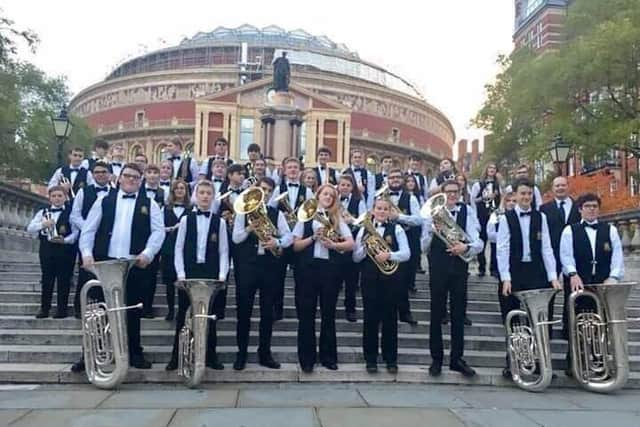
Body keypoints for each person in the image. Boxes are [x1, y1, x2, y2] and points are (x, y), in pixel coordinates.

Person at [78, 162, 165, 370]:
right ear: (119, 178)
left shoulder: (150, 203)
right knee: (97, 313)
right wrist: (87, 255)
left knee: (133, 311)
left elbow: (158, 232)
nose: (131, 180)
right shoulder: (103, 200)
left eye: (136, 177)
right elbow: (88, 230)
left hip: (132, 266)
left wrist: (147, 253)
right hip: (104, 263)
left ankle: (134, 353)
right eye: (127, 175)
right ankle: (89, 355)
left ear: (141, 180)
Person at [497, 178, 562, 378]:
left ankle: (541, 361)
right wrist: (506, 278)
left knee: (540, 320)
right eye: (522, 193)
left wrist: (553, 276)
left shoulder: (540, 217)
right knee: (513, 319)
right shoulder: (506, 218)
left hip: (536, 272)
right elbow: (502, 249)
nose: (526, 197)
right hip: (514, 272)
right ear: (514, 196)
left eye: (529, 194)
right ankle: (513, 362)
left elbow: (547, 247)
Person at [422, 179, 483, 378]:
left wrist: (465, 248)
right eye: (448, 192)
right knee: (436, 313)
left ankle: (457, 359)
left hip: (459, 268)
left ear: (460, 192)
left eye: (455, 192)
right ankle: (436, 359)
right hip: (438, 267)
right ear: (441, 194)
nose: (452, 195)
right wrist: (430, 233)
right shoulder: (432, 215)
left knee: (458, 314)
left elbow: (478, 241)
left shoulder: (468, 211)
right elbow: (423, 247)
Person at [166, 180, 229, 371]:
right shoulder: (186, 220)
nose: (205, 196)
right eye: (201, 192)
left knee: (210, 316)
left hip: (210, 274)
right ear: (195, 195)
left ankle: (210, 356)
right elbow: (179, 248)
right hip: (190, 273)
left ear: (213, 196)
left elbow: (223, 251)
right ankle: (177, 357)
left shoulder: (221, 222)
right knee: (184, 316)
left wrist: (222, 276)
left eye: (208, 193)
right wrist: (181, 274)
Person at [231, 177, 293, 370]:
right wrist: (251, 227)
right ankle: (241, 354)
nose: (264, 193)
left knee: (267, 313)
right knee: (244, 312)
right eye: (262, 189)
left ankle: (264, 353)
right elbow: (236, 238)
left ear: (272, 193)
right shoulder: (243, 211)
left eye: (268, 190)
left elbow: (289, 237)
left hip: (269, 268)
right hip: (247, 267)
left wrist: (278, 243)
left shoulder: (276, 213)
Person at [560, 192, 624, 376]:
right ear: (580, 209)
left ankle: (599, 360)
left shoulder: (610, 230)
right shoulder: (569, 230)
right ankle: (573, 361)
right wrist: (572, 273)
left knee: (601, 323)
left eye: (594, 206)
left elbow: (617, 256)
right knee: (576, 322)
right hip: (577, 282)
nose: (591, 209)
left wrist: (613, 277)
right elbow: (565, 255)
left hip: (602, 284)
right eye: (587, 206)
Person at [292, 184, 354, 372]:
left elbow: (351, 244)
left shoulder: (337, 218)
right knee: (306, 315)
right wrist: (313, 238)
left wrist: (334, 245)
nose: (328, 197)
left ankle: (328, 357)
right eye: (325, 194)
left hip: (330, 271)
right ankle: (307, 359)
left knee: (329, 314)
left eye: (332, 196)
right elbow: (295, 246)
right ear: (318, 196)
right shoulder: (306, 216)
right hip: (307, 271)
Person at [353, 197, 410, 374]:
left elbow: (407, 253)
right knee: (370, 319)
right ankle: (370, 359)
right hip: (369, 280)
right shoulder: (363, 229)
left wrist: (389, 256)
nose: (382, 211)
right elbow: (355, 257)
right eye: (379, 208)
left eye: (385, 209)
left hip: (391, 280)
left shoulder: (397, 228)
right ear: (373, 211)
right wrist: (365, 247)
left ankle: (390, 359)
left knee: (390, 319)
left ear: (389, 212)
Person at [268, 157, 314, 320]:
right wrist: (283, 218)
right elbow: (271, 211)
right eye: (290, 168)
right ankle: (277, 309)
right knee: (278, 275)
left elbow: (311, 213)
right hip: (283, 237)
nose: (293, 170)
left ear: (299, 171)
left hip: (299, 239)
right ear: (284, 170)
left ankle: (301, 309)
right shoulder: (278, 189)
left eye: (296, 167)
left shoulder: (307, 191)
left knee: (301, 277)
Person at [69, 161, 114, 318]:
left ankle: (104, 309)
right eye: (97, 172)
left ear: (110, 174)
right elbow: (75, 214)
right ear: (93, 174)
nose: (100, 174)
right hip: (88, 240)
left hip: (108, 242)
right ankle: (79, 308)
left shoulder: (116, 193)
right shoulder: (84, 192)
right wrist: (88, 227)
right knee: (85, 275)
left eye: (103, 172)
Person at [27, 186, 79, 319]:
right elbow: (30, 228)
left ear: (65, 197)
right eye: (54, 196)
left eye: (60, 196)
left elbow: (75, 233)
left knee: (64, 280)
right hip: (47, 249)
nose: (57, 198)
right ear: (49, 198)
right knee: (47, 279)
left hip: (65, 251)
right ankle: (44, 309)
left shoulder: (71, 212)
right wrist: (43, 225)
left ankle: (62, 310)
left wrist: (65, 240)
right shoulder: (42, 212)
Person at [540, 176, 580, 339]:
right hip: (551, 254)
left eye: (563, 185)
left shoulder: (579, 207)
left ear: (568, 186)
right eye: (557, 186)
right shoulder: (544, 209)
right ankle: (547, 329)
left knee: (572, 292)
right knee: (549, 290)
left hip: (574, 255)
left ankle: (568, 327)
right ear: (552, 188)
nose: (560, 188)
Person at [386, 168, 422, 325]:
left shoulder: (411, 198)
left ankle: (404, 312)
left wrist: (398, 217)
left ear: (403, 180)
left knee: (403, 281)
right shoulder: (381, 197)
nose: (394, 180)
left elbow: (418, 220)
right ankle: (386, 313)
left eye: (397, 177)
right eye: (391, 177)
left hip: (407, 241)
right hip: (386, 242)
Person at [337, 173, 366, 322]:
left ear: (352, 187)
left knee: (351, 280)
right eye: (342, 185)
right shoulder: (332, 200)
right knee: (333, 279)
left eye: (348, 185)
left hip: (352, 244)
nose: (345, 187)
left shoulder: (358, 201)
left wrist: (352, 220)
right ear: (338, 186)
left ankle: (350, 309)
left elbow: (363, 221)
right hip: (335, 244)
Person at [160, 179, 191, 321]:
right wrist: (172, 228)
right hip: (168, 248)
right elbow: (159, 228)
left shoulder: (191, 210)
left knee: (183, 281)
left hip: (185, 250)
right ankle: (171, 310)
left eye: (182, 188)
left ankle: (183, 311)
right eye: (177, 188)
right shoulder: (165, 209)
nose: (179, 191)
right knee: (169, 282)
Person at [470, 164, 501, 277]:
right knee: (481, 241)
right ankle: (481, 267)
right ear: (486, 170)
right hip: (482, 215)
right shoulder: (478, 184)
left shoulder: (498, 185)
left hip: (494, 215)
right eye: (490, 168)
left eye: (494, 168)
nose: (492, 170)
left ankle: (494, 268)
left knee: (494, 242)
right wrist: (485, 197)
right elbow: (473, 200)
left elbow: (502, 200)